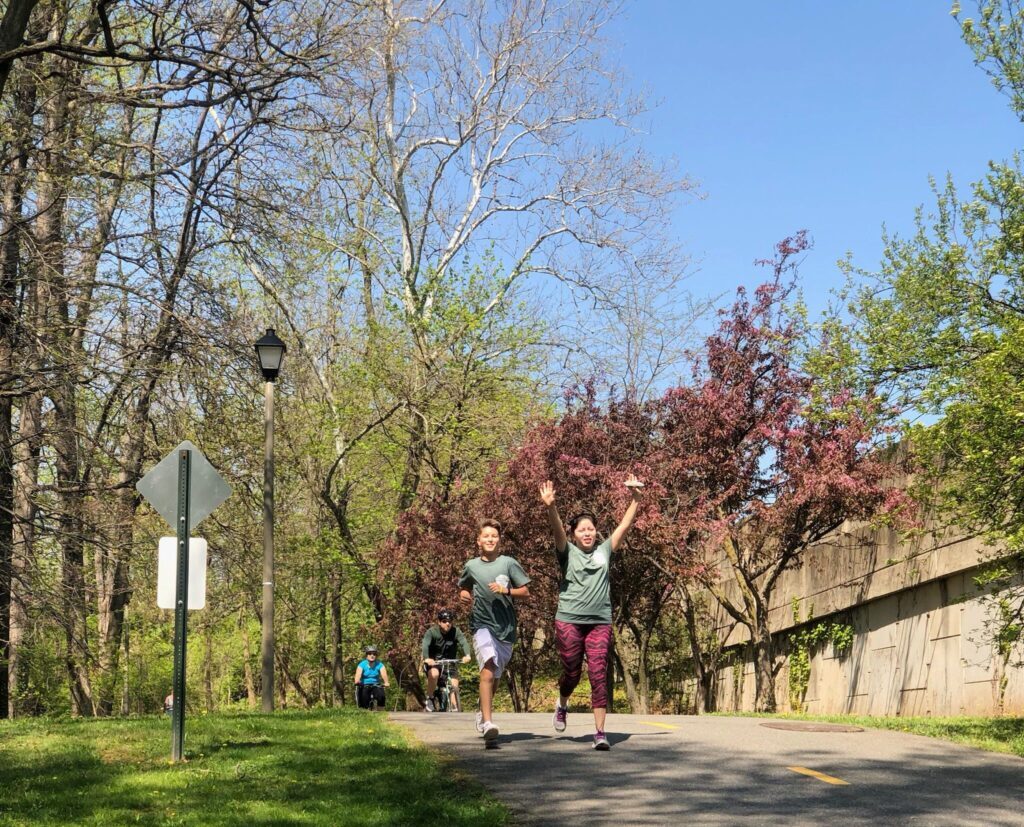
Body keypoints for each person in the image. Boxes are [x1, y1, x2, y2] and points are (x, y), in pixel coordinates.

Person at [539, 474, 643, 750]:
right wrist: (551, 506)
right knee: (572, 672)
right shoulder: (567, 552)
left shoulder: (605, 551)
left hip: (600, 623)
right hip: (569, 621)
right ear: (574, 534)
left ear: (597, 532)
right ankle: (562, 704)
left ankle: (600, 733)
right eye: (582, 530)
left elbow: (624, 525)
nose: (587, 533)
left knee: (598, 674)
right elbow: (557, 529)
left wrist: (635, 499)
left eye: (591, 529)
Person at [458, 518, 531, 743]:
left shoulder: (508, 563)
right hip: (481, 625)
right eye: (486, 536)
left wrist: (505, 590)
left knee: (495, 675)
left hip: (505, 628)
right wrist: (464, 596)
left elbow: (525, 591)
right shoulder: (471, 566)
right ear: (478, 540)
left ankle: (482, 712)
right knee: (488, 667)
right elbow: (464, 587)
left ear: (499, 540)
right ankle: (488, 723)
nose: (490, 539)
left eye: (494, 536)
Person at [421, 609, 472, 712]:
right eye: (444, 621)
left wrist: (467, 655)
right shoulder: (432, 632)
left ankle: (454, 707)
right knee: (434, 674)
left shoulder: (456, 631)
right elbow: (425, 645)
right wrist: (427, 658)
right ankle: (430, 698)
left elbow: (463, 642)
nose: (447, 623)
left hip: (450, 662)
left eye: (449, 621)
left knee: (454, 685)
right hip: (435, 662)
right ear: (439, 622)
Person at [354, 645, 390, 710]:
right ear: (366, 655)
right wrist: (357, 681)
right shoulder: (362, 664)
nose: (372, 655)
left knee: (381, 696)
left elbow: (384, 674)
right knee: (364, 697)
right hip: (364, 684)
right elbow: (358, 674)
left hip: (376, 684)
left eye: (374, 654)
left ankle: (380, 712)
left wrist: (386, 682)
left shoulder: (380, 664)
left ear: (376, 655)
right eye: (370, 653)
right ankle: (364, 711)